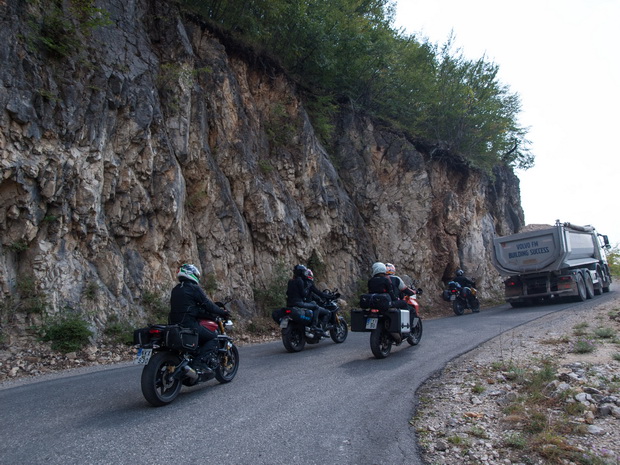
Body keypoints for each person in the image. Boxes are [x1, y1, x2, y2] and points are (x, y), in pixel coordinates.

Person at [169, 263, 231, 373]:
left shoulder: (176, 289)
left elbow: (189, 307)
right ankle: (199, 363)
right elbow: (208, 304)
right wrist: (222, 312)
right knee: (213, 338)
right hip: (188, 324)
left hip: (174, 324)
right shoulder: (193, 288)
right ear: (191, 274)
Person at [286, 264, 330, 332]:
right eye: (304, 271)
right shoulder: (300, 280)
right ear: (301, 272)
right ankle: (314, 326)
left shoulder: (290, 281)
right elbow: (304, 294)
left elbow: (287, 293)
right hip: (298, 303)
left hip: (289, 304)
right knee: (316, 307)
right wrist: (308, 288)